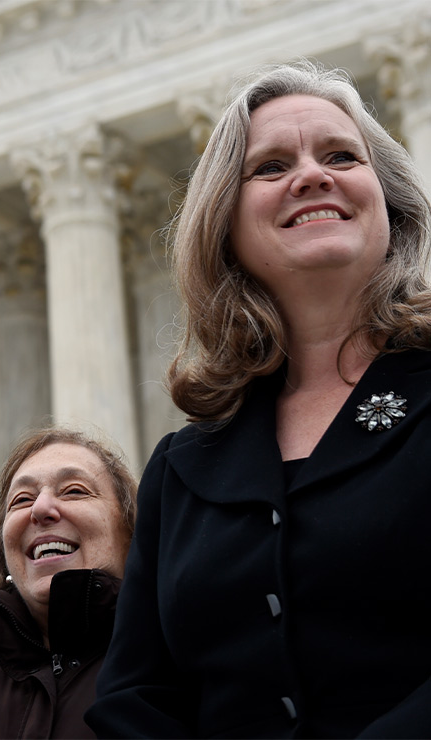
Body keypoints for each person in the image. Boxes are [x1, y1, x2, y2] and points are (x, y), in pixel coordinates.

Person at [86, 61, 431, 738]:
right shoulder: (183, 469)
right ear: (226, 227)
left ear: (388, 204)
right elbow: (134, 694)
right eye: (271, 167)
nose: (312, 175)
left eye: (341, 155)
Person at [0, 427, 137, 738]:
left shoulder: (180, 668)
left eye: (74, 490)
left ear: (130, 536)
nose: (40, 509)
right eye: (22, 500)